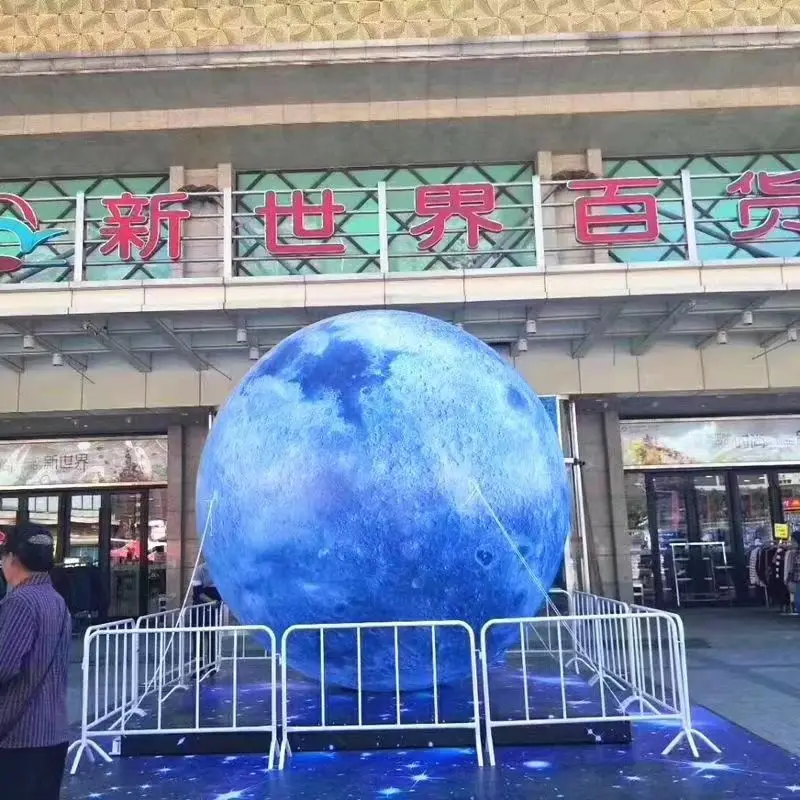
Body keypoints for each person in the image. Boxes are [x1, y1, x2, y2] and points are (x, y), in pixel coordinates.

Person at [0, 522, 72, 800]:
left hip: (19, 737)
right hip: (52, 731)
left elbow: (4, 668)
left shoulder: (20, 602)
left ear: (13, 559)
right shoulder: (55, 600)